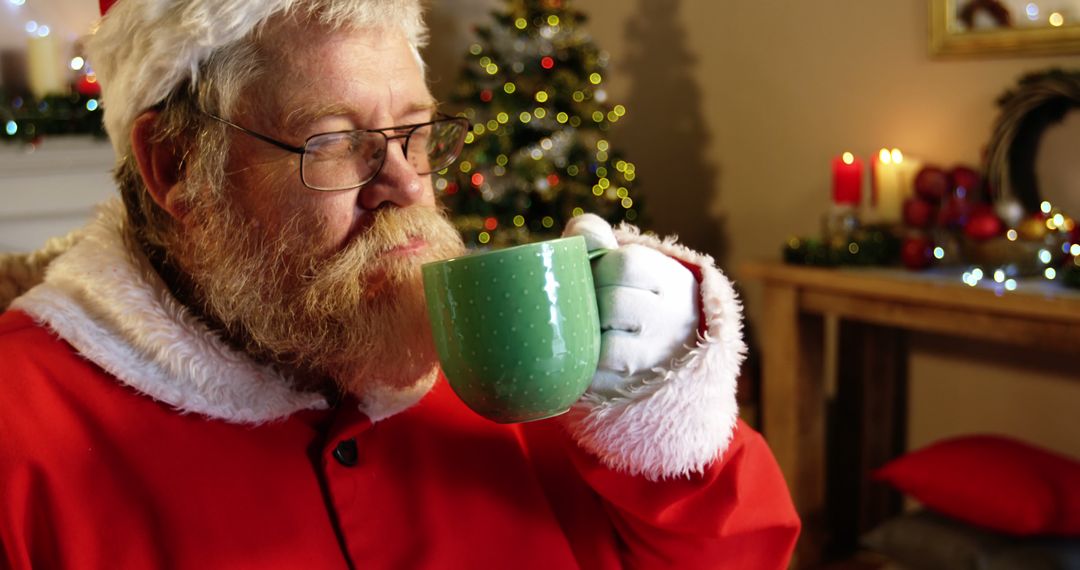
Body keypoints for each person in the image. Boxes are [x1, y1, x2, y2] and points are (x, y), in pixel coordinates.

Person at [0, 0, 800, 567]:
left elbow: (737, 553)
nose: (407, 184)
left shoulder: (506, 358)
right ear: (175, 166)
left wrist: (663, 422)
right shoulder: (21, 434)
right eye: (335, 142)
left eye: (415, 134)